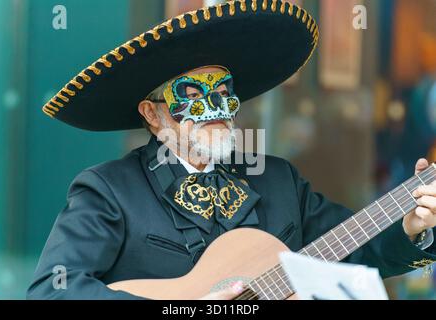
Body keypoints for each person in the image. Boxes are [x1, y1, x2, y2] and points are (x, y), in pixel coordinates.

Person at [28, 0, 436, 300]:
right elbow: (52, 290)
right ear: (152, 114)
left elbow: (358, 252)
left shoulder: (280, 180)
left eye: (222, 92)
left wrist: (412, 229)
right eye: (192, 94)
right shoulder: (109, 190)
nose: (214, 108)